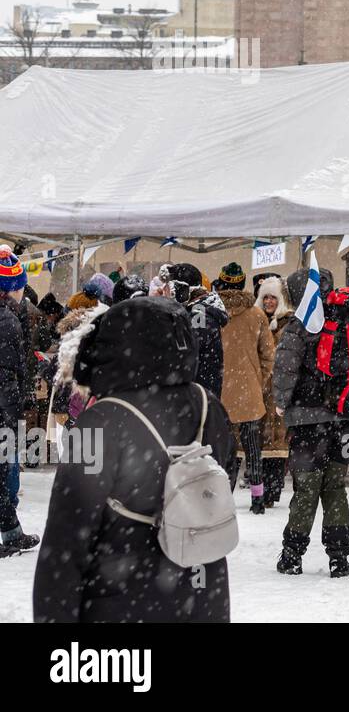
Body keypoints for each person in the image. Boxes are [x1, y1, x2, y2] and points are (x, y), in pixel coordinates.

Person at [32, 296, 236, 620]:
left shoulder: (99, 421)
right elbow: (222, 481)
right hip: (202, 593)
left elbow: (66, 538)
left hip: (121, 602)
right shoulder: (208, 404)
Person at [273, 266, 349, 578]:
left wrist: (281, 404)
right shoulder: (344, 322)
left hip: (308, 420)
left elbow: (285, 370)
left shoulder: (297, 328)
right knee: (335, 486)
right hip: (342, 418)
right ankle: (339, 556)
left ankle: (292, 554)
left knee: (307, 488)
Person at [216, 264, 275, 512]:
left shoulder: (214, 313)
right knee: (253, 449)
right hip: (249, 390)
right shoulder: (257, 315)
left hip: (219, 390)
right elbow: (268, 355)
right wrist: (257, 381)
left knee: (224, 450)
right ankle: (257, 499)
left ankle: (223, 497)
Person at [0, 252, 38, 557]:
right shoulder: (7, 319)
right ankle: (11, 535)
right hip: (2, 409)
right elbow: (8, 374)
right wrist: (12, 414)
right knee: (3, 470)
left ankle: (12, 534)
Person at [159, 262, 228, 394]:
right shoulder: (196, 310)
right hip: (197, 391)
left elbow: (185, 349)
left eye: (169, 287)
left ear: (182, 289)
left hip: (199, 393)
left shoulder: (200, 313)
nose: (165, 292)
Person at [256, 276, 292, 506]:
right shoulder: (256, 320)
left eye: (273, 297)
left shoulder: (287, 323)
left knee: (277, 443)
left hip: (277, 389)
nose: (269, 301)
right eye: (265, 297)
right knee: (259, 441)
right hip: (259, 388)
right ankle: (262, 490)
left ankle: (272, 490)